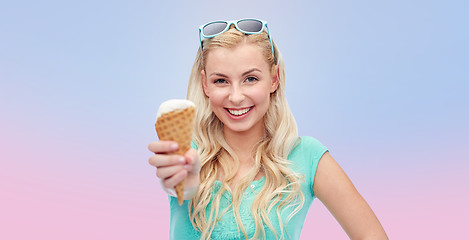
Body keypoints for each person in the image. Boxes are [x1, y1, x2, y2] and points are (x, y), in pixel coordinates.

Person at [148, 18, 388, 240]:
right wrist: (184, 182)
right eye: (220, 81)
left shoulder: (307, 157)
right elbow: (178, 184)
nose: (235, 96)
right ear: (205, 85)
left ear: (274, 79)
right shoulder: (187, 155)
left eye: (250, 79)